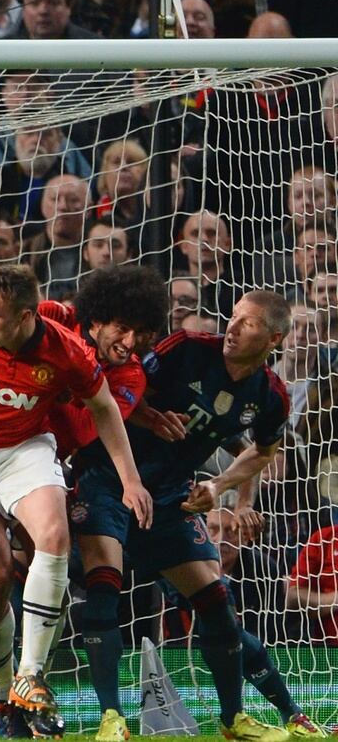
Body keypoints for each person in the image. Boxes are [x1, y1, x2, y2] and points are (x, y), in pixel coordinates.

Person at [69, 291, 297, 742]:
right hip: (109, 479)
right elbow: (116, 390)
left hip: (172, 495)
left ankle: (235, 720)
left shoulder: (270, 396)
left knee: (216, 602)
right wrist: (150, 415)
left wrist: (221, 486)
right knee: (103, 587)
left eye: (247, 324)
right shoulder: (188, 347)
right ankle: (111, 719)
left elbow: (264, 451)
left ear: (273, 338)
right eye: (233, 318)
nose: (232, 328)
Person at [0, 265, 151, 737]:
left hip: (29, 452)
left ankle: (31, 677)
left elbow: (94, 418)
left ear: (23, 317)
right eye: (121, 326)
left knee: (51, 538)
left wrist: (131, 480)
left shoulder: (72, 354)